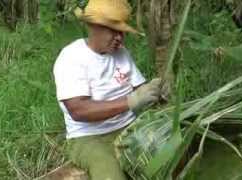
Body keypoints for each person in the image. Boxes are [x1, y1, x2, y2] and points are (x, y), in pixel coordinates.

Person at [53, 0, 162, 179]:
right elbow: (78, 110)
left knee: (165, 159)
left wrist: (154, 90)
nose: (120, 38)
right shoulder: (72, 57)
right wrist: (131, 101)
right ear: (93, 26)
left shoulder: (122, 54)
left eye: (122, 32)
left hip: (129, 128)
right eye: (114, 30)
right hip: (89, 138)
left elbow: (139, 88)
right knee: (110, 175)